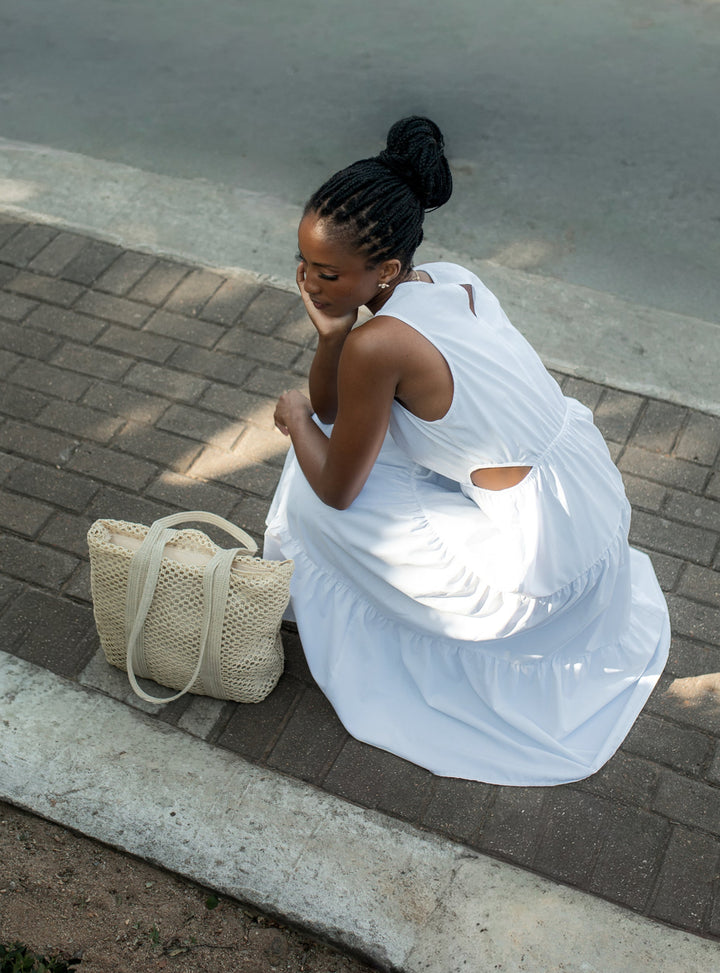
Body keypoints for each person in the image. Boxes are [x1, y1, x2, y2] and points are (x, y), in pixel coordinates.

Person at [263, 116, 670, 786]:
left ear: (386, 269)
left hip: (537, 564)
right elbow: (346, 406)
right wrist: (331, 334)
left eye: (328, 272)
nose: (307, 281)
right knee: (341, 441)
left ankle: (325, 619)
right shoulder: (452, 279)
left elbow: (336, 475)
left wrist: (295, 414)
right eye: (302, 262)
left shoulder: (378, 346)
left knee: (309, 481)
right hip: (587, 503)